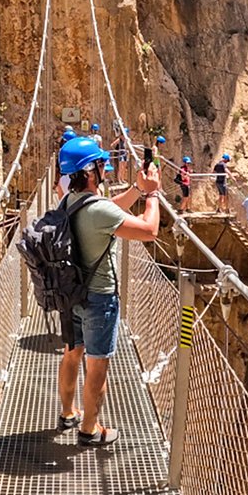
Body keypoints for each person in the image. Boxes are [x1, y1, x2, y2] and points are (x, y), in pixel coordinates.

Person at [55, 135, 161, 447]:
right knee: (97, 366)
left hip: (71, 292)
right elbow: (149, 231)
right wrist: (152, 196)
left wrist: (138, 190)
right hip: (99, 299)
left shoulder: (68, 201)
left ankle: (67, 412)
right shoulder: (99, 211)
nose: (106, 167)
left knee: (72, 353)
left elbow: (106, 209)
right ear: (89, 171)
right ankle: (90, 430)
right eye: (101, 163)